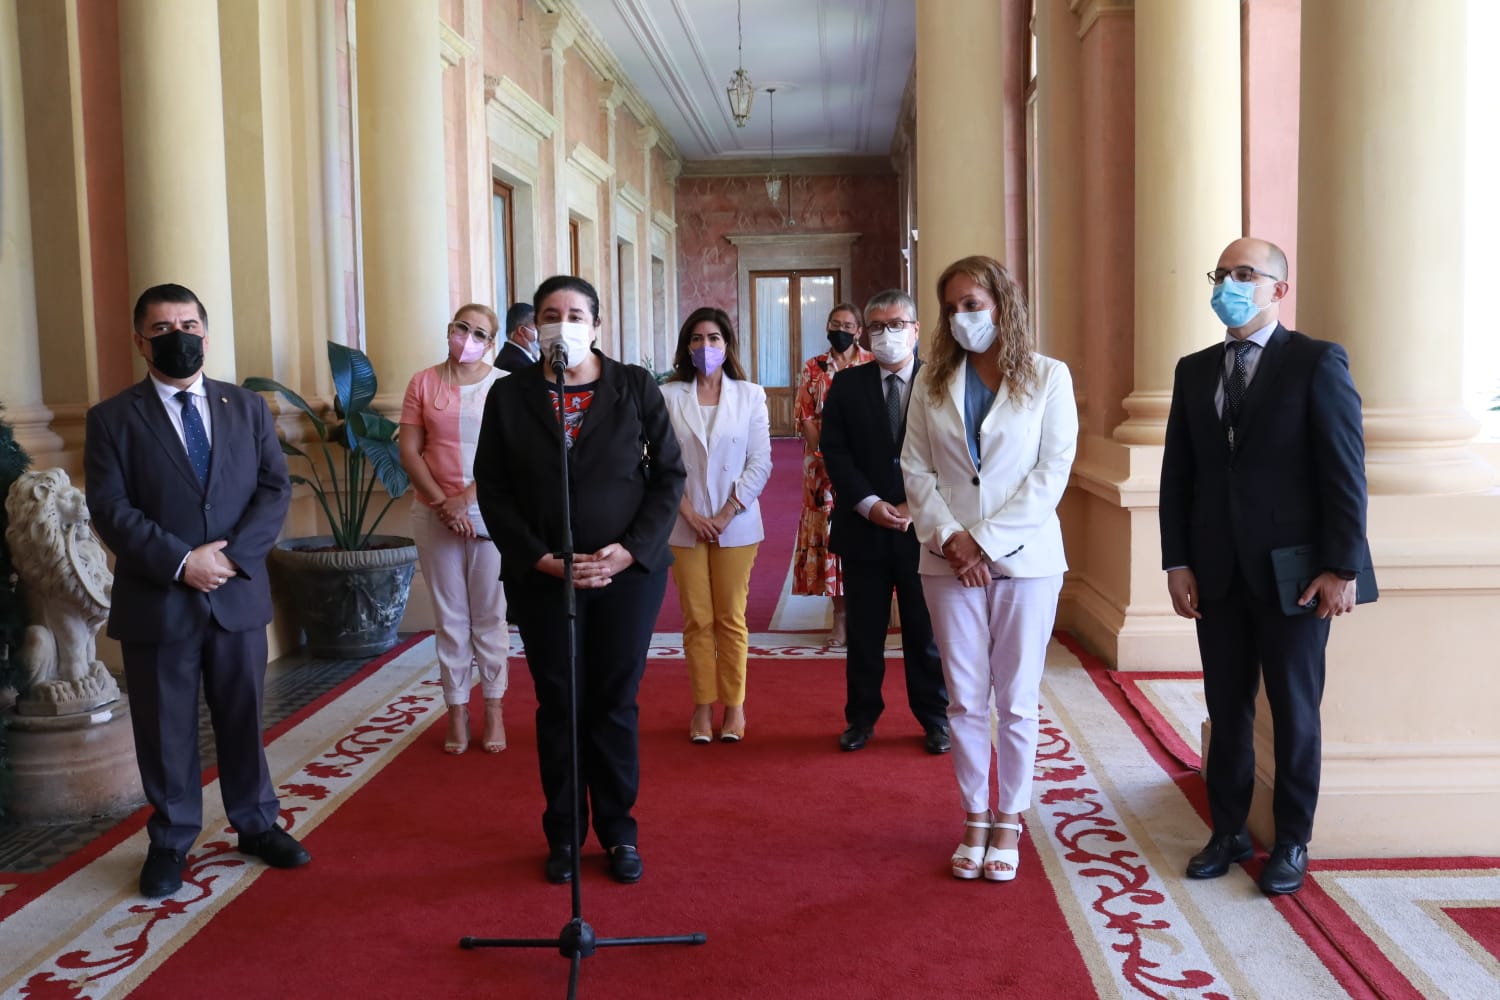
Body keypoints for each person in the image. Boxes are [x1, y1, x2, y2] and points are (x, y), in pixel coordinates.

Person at [84, 283, 310, 898]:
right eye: (161, 329)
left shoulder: (246, 408)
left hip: (235, 593)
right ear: (140, 342)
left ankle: (257, 823)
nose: (176, 337)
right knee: (165, 728)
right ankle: (172, 838)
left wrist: (232, 558)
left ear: (206, 334)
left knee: (243, 715)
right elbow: (109, 508)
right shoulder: (111, 419)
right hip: (160, 597)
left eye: (187, 325)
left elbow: (273, 490)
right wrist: (183, 561)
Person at [1161, 237, 1369, 896]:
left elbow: (1344, 472)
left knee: (1294, 710)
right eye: (1221, 274)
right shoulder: (1193, 370)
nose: (1230, 283)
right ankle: (1227, 830)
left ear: (1278, 288)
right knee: (1227, 708)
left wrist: (1343, 567)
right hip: (1216, 575)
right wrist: (1178, 561)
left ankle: (1292, 841)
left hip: (1297, 578)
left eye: (1245, 274)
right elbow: (1180, 475)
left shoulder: (1315, 362)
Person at [475, 275, 686, 886]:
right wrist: (537, 555)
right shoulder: (509, 395)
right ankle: (564, 832)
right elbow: (494, 486)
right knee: (561, 702)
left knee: (614, 701)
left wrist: (630, 551)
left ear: (595, 326)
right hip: (545, 576)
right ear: (533, 327)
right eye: (549, 314)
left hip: (627, 574)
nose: (561, 323)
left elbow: (668, 476)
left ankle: (619, 832)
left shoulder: (634, 386)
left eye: (574, 314)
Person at [902, 255, 1077, 883]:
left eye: (972, 304)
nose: (961, 317)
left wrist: (983, 543)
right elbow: (916, 470)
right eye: (951, 308)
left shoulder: (1047, 377)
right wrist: (952, 541)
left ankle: (1011, 816)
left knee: (1019, 698)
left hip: (1026, 561)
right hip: (945, 561)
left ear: (1003, 304)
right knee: (966, 697)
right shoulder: (930, 380)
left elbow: (1051, 472)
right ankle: (975, 814)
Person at [821, 289, 950, 755]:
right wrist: (869, 503)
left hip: (926, 531)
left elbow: (955, 455)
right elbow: (834, 451)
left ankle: (936, 719)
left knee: (926, 635)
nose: (887, 334)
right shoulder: (847, 385)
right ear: (865, 334)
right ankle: (861, 718)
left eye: (897, 324)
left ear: (916, 330)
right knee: (864, 634)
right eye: (877, 326)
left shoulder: (941, 383)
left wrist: (919, 505)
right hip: (865, 529)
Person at [399, 304, 510, 756]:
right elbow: (410, 449)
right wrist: (444, 504)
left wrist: (467, 498)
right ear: (449, 330)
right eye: (463, 328)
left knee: (489, 616)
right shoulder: (424, 381)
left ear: (492, 342)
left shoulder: (504, 386)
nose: (469, 337)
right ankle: (457, 710)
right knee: (451, 619)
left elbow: (512, 454)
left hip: (491, 512)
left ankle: (495, 707)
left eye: (480, 332)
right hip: (434, 511)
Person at [660, 307, 772, 744]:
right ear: (687, 347)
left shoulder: (750, 395)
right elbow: (658, 461)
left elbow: (760, 461)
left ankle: (735, 706)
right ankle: (703, 705)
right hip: (684, 522)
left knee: (730, 615)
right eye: (697, 339)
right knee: (697, 618)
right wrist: (687, 512)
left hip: (736, 523)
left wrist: (727, 512)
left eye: (714, 339)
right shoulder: (669, 396)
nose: (705, 347)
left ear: (727, 346)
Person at [791, 302, 873, 645]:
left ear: (859, 331)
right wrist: (827, 456)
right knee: (830, 540)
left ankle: (867, 615)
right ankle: (839, 619)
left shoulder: (871, 363)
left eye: (848, 324)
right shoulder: (815, 366)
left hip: (865, 465)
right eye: (835, 322)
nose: (841, 329)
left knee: (863, 537)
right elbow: (805, 416)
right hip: (822, 471)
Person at [496, 302, 539, 373]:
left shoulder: (523, 354)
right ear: (522, 331)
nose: (540, 329)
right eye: (536, 325)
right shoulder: (513, 363)